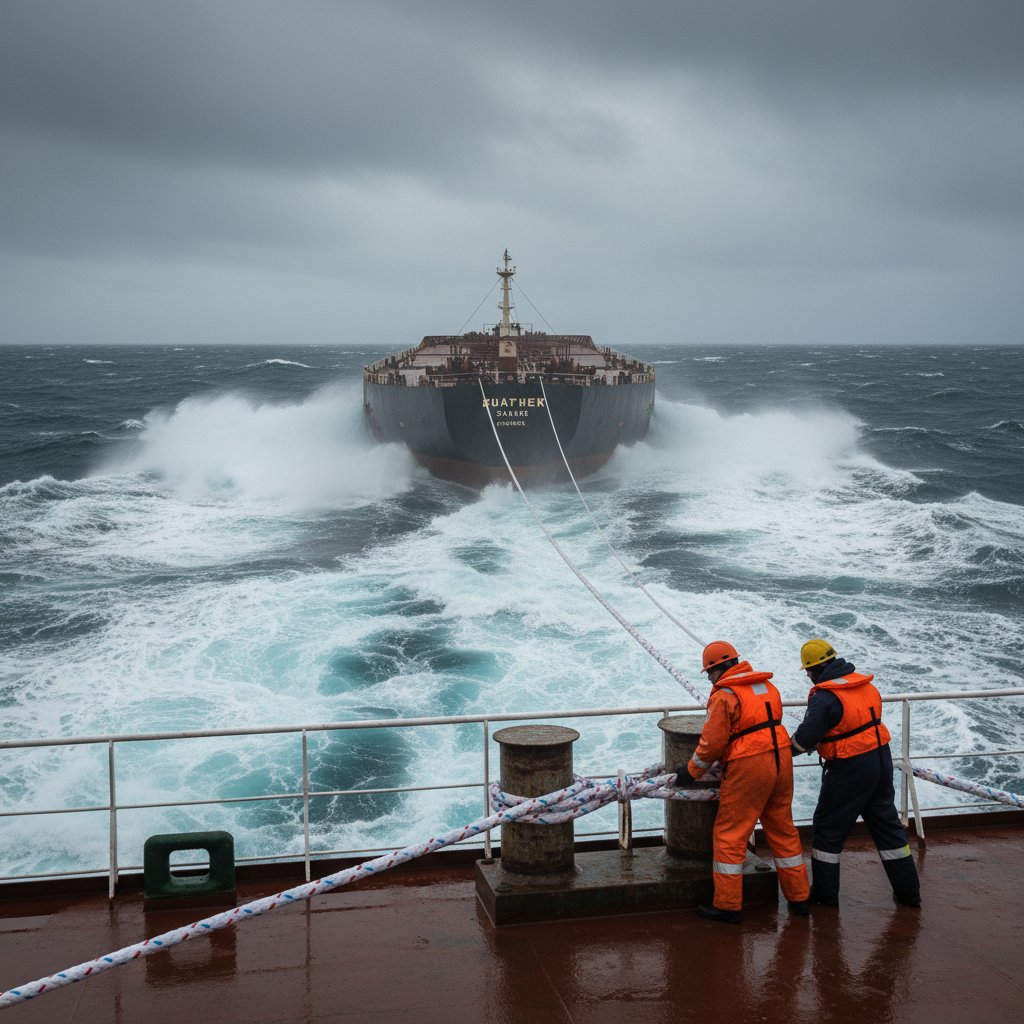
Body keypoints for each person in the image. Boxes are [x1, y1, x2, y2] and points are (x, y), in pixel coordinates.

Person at [685, 640, 810, 923]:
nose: (709, 678)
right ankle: (800, 898)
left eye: (709, 672)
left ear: (718, 668)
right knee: (783, 829)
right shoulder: (767, 686)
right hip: (781, 759)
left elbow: (712, 744)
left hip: (749, 764)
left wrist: (691, 772)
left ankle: (728, 906)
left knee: (730, 834)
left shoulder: (724, 696)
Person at [791, 638, 921, 908]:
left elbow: (804, 740)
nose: (808, 677)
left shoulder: (825, 697)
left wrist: (783, 750)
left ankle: (825, 896)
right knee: (887, 826)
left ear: (814, 669)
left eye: (808, 672)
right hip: (880, 759)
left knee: (828, 828)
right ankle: (909, 892)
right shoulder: (865, 685)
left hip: (851, 767)